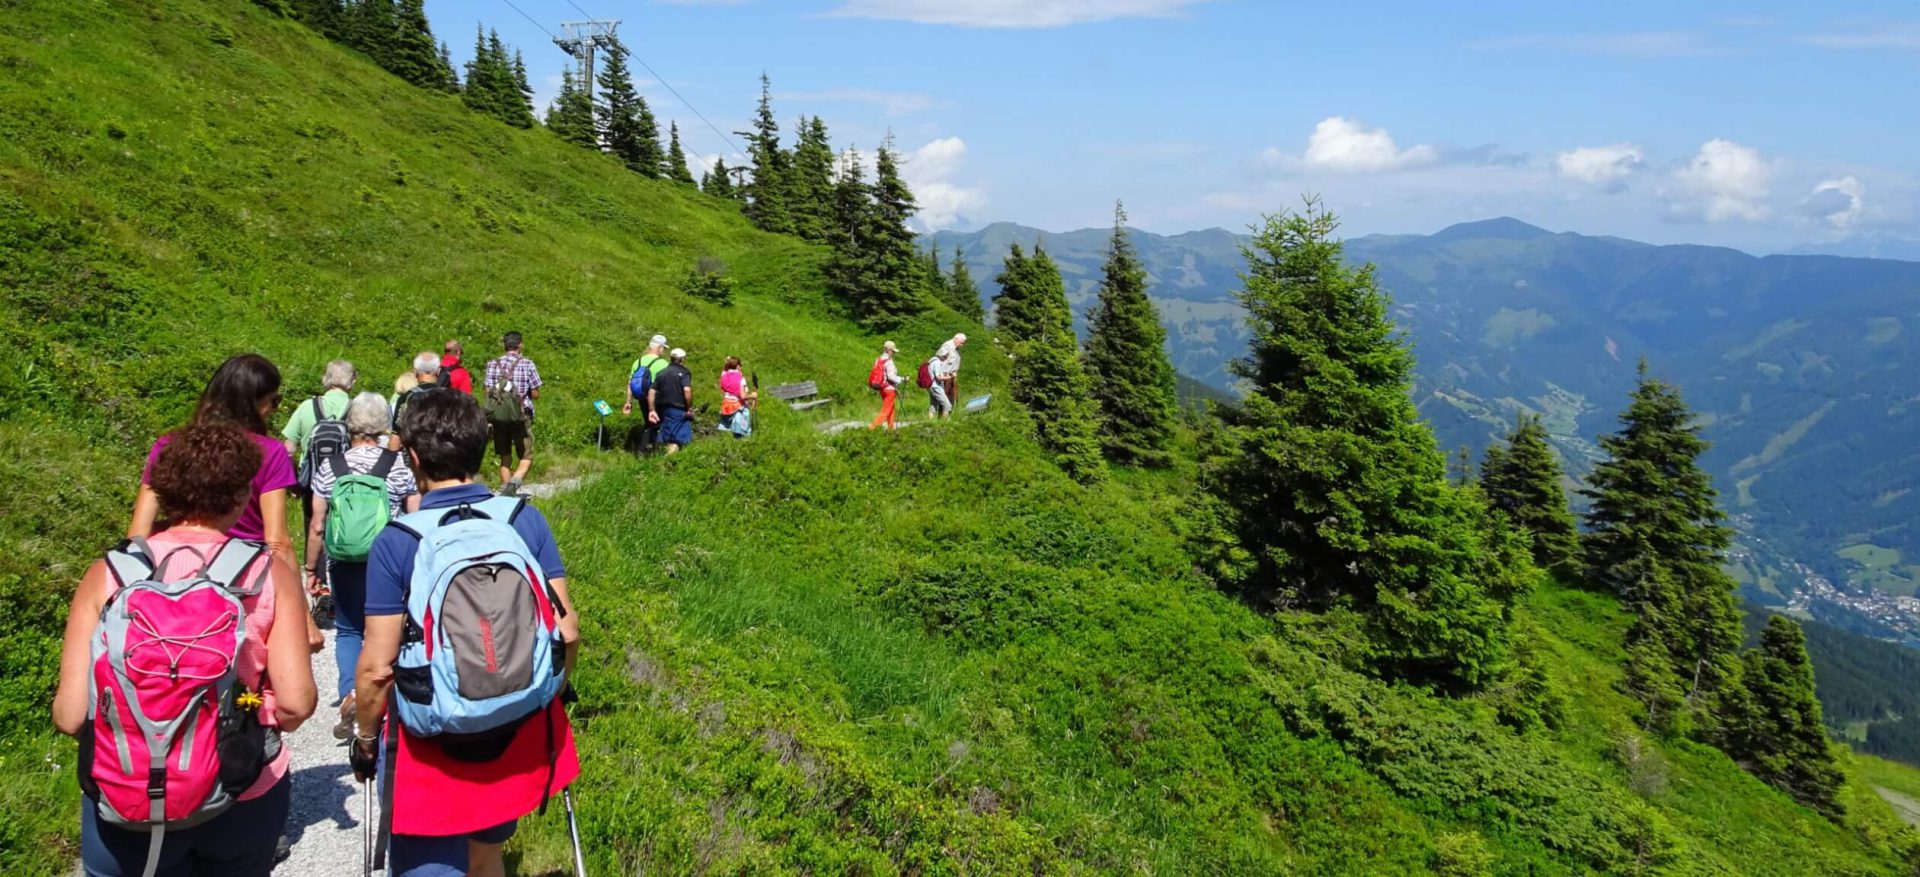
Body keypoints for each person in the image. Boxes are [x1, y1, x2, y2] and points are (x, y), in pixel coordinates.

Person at [56, 424, 317, 876]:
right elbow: (296, 704)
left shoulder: (109, 573)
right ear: (241, 497)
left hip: (124, 793)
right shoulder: (266, 573)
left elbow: (70, 715)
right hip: (240, 790)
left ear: (164, 492)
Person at [352, 391, 580, 877]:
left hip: (432, 746)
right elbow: (569, 629)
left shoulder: (399, 541)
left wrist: (366, 738)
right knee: (486, 855)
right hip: (515, 724)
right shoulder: (522, 519)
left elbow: (376, 670)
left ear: (412, 458)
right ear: (480, 450)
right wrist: (548, 690)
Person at [129, 354, 322, 652]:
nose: (274, 409)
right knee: (255, 681)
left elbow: (138, 531)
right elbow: (278, 541)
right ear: (253, 402)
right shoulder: (269, 454)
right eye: (274, 400)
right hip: (246, 582)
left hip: (173, 578)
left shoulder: (168, 445)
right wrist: (303, 616)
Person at [306, 393, 420, 738]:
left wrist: (311, 569)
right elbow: (416, 517)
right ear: (384, 424)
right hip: (389, 560)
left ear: (350, 424)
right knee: (391, 628)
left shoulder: (332, 466)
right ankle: (385, 698)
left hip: (343, 560)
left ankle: (350, 695)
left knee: (350, 629)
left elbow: (317, 524)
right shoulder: (397, 465)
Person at [485, 332, 542, 495]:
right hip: (521, 415)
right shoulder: (527, 364)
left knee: (504, 454)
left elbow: (488, 391)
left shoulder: (493, 364)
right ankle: (514, 483)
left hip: (498, 416)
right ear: (520, 345)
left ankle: (505, 490)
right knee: (526, 455)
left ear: (504, 345)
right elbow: (536, 393)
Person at [622, 334, 670, 452]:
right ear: (660, 348)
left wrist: (628, 402)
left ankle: (645, 450)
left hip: (641, 397)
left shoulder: (637, 362)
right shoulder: (662, 363)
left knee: (649, 423)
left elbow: (630, 383)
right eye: (663, 348)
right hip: (657, 399)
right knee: (660, 424)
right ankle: (651, 450)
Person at [648, 348, 695, 454]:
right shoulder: (684, 373)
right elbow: (687, 390)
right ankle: (668, 463)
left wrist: (652, 409)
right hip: (679, 409)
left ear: (671, 358)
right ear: (683, 359)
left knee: (668, 437)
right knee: (678, 439)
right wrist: (689, 408)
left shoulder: (661, 373)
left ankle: (663, 458)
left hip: (664, 409)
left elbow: (651, 391)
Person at [868, 341, 905, 431]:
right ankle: (871, 427)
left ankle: (891, 428)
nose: (894, 353)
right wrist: (902, 379)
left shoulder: (878, 359)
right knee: (886, 410)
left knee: (891, 408)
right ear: (888, 350)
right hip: (889, 389)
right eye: (893, 351)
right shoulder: (889, 362)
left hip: (881, 387)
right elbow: (891, 377)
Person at [717, 355, 756, 438]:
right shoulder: (741, 379)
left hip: (726, 406)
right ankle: (744, 441)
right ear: (738, 366)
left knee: (730, 429)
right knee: (743, 430)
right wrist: (752, 396)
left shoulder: (724, 375)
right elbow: (743, 396)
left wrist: (729, 361)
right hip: (738, 406)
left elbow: (725, 368)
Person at [937, 333, 967, 417]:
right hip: (945, 376)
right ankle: (942, 417)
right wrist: (943, 372)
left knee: (952, 398)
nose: (962, 345)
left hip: (952, 376)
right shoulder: (947, 346)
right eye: (961, 343)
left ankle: (948, 416)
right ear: (956, 339)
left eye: (963, 343)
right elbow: (939, 357)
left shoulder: (957, 348)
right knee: (944, 397)